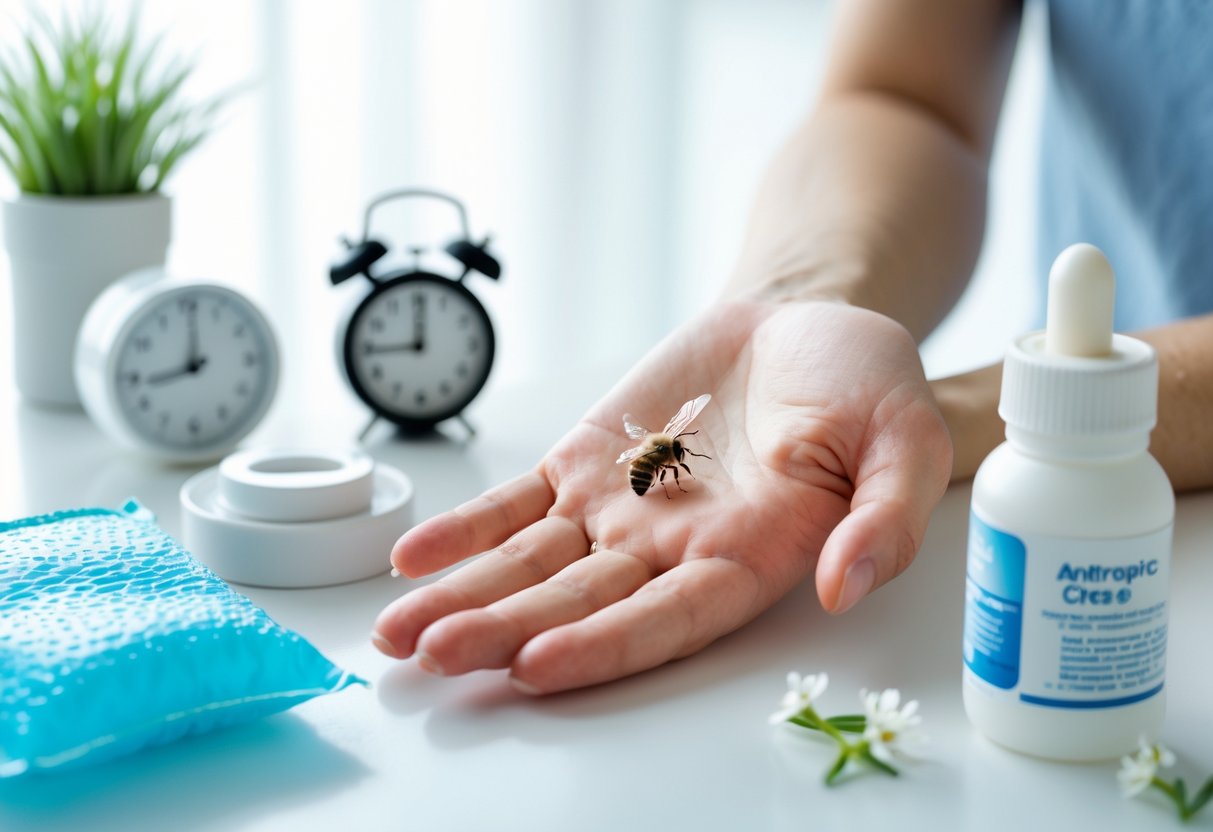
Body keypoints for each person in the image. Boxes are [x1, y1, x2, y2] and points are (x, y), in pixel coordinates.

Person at [371, 0, 1213, 694]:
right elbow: (902, 92)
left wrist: (977, 421)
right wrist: (792, 306)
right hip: (1072, 480)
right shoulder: (668, 451)